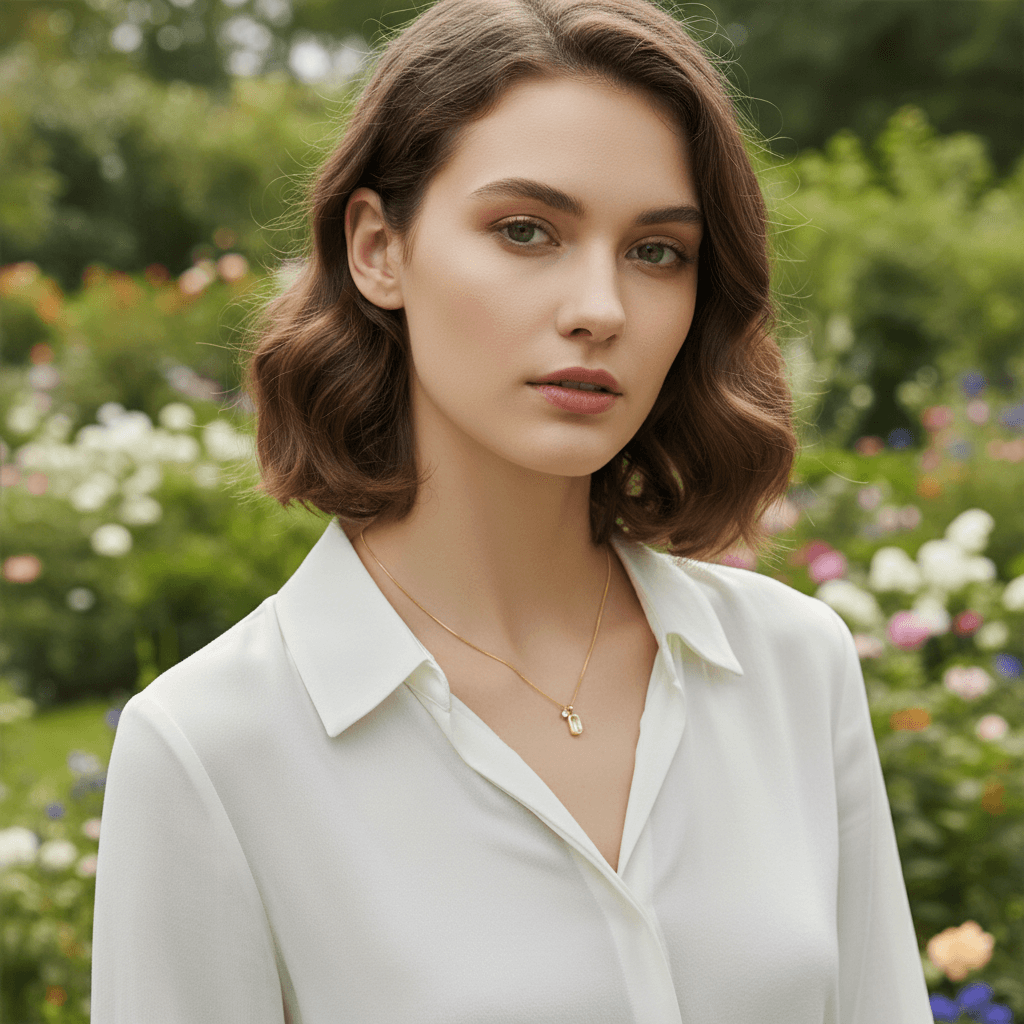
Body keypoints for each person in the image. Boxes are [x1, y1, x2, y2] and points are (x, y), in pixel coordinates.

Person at [89, 0, 936, 1020]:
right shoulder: (212, 747)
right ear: (377, 249)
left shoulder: (794, 665)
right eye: (526, 230)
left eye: (656, 250)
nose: (602, 307)